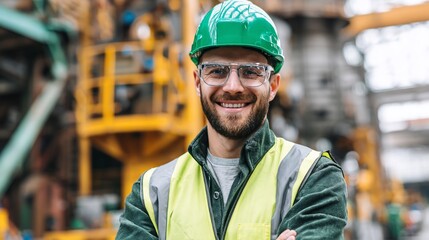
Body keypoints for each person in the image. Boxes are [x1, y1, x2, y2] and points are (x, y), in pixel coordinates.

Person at [116, 0, 347, 239]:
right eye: (217, 71)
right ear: (197, 82)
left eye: (250, 71)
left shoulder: (315, 177)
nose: (233, 87)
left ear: (273, 85)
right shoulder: (150, 193)